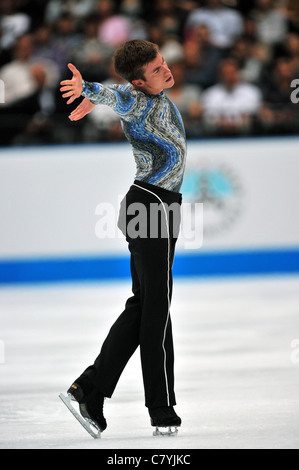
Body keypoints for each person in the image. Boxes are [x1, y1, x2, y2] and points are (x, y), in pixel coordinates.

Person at [59, 39, 187, 435]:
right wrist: (90, 91)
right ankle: (159, 409)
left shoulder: (157, 95)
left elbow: (119, 94)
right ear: (139, 81)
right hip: (151, 205)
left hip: (160, 206)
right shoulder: (138, 101)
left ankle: (89, 390)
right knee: (155, 309)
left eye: (163, 62)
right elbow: (116, 96)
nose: (165, 71)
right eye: (155, 70)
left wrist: (97, 98)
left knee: (146, 306)